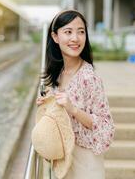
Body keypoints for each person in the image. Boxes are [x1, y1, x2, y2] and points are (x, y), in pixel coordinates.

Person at [36, 10, 115, 179]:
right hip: (64, 157)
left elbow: (106, 126)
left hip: (85, 162)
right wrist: (49, 102)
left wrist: (73, 109)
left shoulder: (89, 77)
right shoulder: (60, 73)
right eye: (68, 32)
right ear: (55, 37)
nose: (75, 38)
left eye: (81, 32)